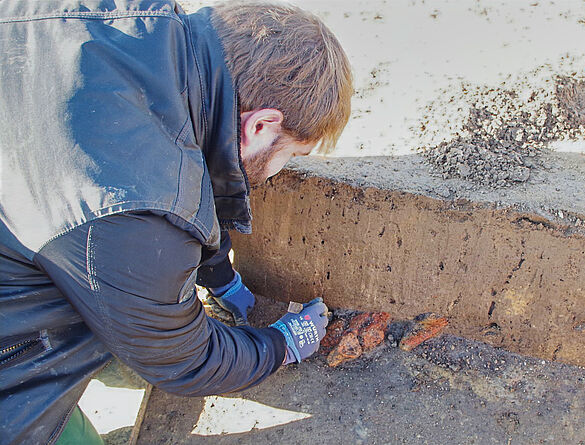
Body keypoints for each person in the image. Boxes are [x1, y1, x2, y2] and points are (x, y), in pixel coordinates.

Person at [0, 0, 353, 443]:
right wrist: (280, 345)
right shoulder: (134, 209)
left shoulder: (136, 23)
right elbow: (186, 360)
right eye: (292, 154)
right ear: (262, 126)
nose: (283, 167)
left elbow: (194, 153)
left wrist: (219, 275)